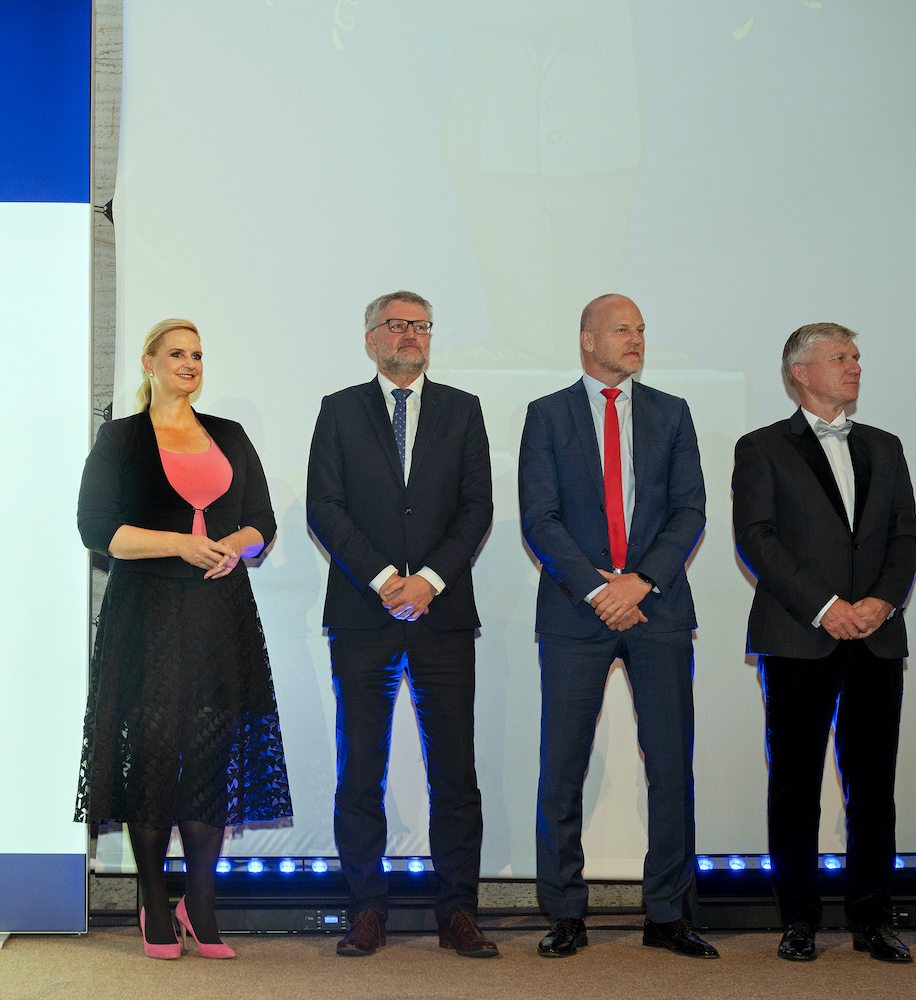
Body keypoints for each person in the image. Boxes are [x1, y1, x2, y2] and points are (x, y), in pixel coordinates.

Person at [75, 318, 293, 960]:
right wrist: (179, 543)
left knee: (209, 756)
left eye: (197, 354)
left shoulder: (229, 434)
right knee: (149, 755)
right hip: (144, 614)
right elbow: (97, 530)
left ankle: (200, 906)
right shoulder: (120, 438)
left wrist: (229, 546)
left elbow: (262, 521)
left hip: (218, 615)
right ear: (149, 363)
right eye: (176, 353)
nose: (189, 363)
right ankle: (153, 902)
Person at [518, 293, 715, 959]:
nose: (635, 339)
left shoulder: (671, 413)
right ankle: (565, 913)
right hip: (576, 611)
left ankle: (668, 915)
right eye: (622, 329)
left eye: (641, 330)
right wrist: (599, 589)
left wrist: (641, 581)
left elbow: (690, 510)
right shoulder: (547, 415)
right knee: (562, 767)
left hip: (658, 609)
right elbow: (539, 518)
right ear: (587, 338)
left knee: (671, 766)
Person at [307, 290, 496, 958]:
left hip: (443, 615)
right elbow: (324, 507)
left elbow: (477, 507)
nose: (412, 334)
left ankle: (458, 912)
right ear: (371, 339)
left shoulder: (463, 409)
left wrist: (429, 581)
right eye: (397, 324)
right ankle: (366, 910)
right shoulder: (339, 410)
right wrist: (387, 579)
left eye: (421, 325)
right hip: (364, 615)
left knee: (455, 774)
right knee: (361, 770)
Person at [733, 323, 916, 964]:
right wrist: (825, 607)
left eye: (857, 356)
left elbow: (905, 536)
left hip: (875, 636)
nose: (855, 366)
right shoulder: (761, 447)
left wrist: (882, 602)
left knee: (873, 786)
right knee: (795, 786)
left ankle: (873, 918)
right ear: (801, 372)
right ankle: (799, 920)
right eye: (841, 357)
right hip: (798, 637)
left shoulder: (885, 446)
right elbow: (757, 538)